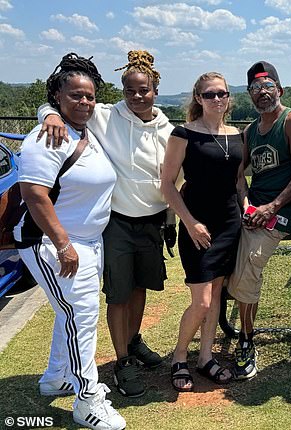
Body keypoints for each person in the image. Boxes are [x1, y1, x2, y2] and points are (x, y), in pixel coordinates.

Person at [38, 50, 175, 398]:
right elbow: (65, 106)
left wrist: (172, 220)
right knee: (118, 294)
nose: (136, 96)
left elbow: (173, 179)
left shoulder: (169, 130)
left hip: (151, 223)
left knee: (141, 288)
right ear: (122, 91)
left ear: (155, 90)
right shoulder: (105, 115)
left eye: (143, 90)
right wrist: (48, 115)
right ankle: (123, 361)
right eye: (129, 90)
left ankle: (133, 340)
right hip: (117, 223)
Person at [14, 53, 125, 430]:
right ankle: (87, 399)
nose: (84, 102)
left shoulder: (81, 130)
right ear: (58, 97)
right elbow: (34, 193)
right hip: (55, 244)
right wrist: (63, 243)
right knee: (81, 317)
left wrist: (51, 109)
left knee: (73, 314)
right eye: (75, 96)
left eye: (89, 96)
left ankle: (56, 377)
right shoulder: (49, 136)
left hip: (88, 242)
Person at [227, 61, 291, 380]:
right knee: (223, 249)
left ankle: (246, 341)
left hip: (285, 211)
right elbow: (238, 173)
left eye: (267, 87)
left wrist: (272, 207)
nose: (262, 93)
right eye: (255, 89)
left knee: (249, 259)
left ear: (280, 90)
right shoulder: (250, 130)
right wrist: (247, 205)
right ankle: (234, 322)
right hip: (257, 210)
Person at [160, 72, 241, 391]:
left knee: (218, 292)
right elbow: (167, 184)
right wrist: (189, 222)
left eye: (222, 93)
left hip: (229, 224)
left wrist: (246, 209)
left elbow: (237, 182)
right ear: (198, 98)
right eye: (210, 94)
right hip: (197, 226)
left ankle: (206, 357)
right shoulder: (183, 134)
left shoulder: (237, 134)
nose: (217, 99)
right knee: (203, 301)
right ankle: (180, 356)